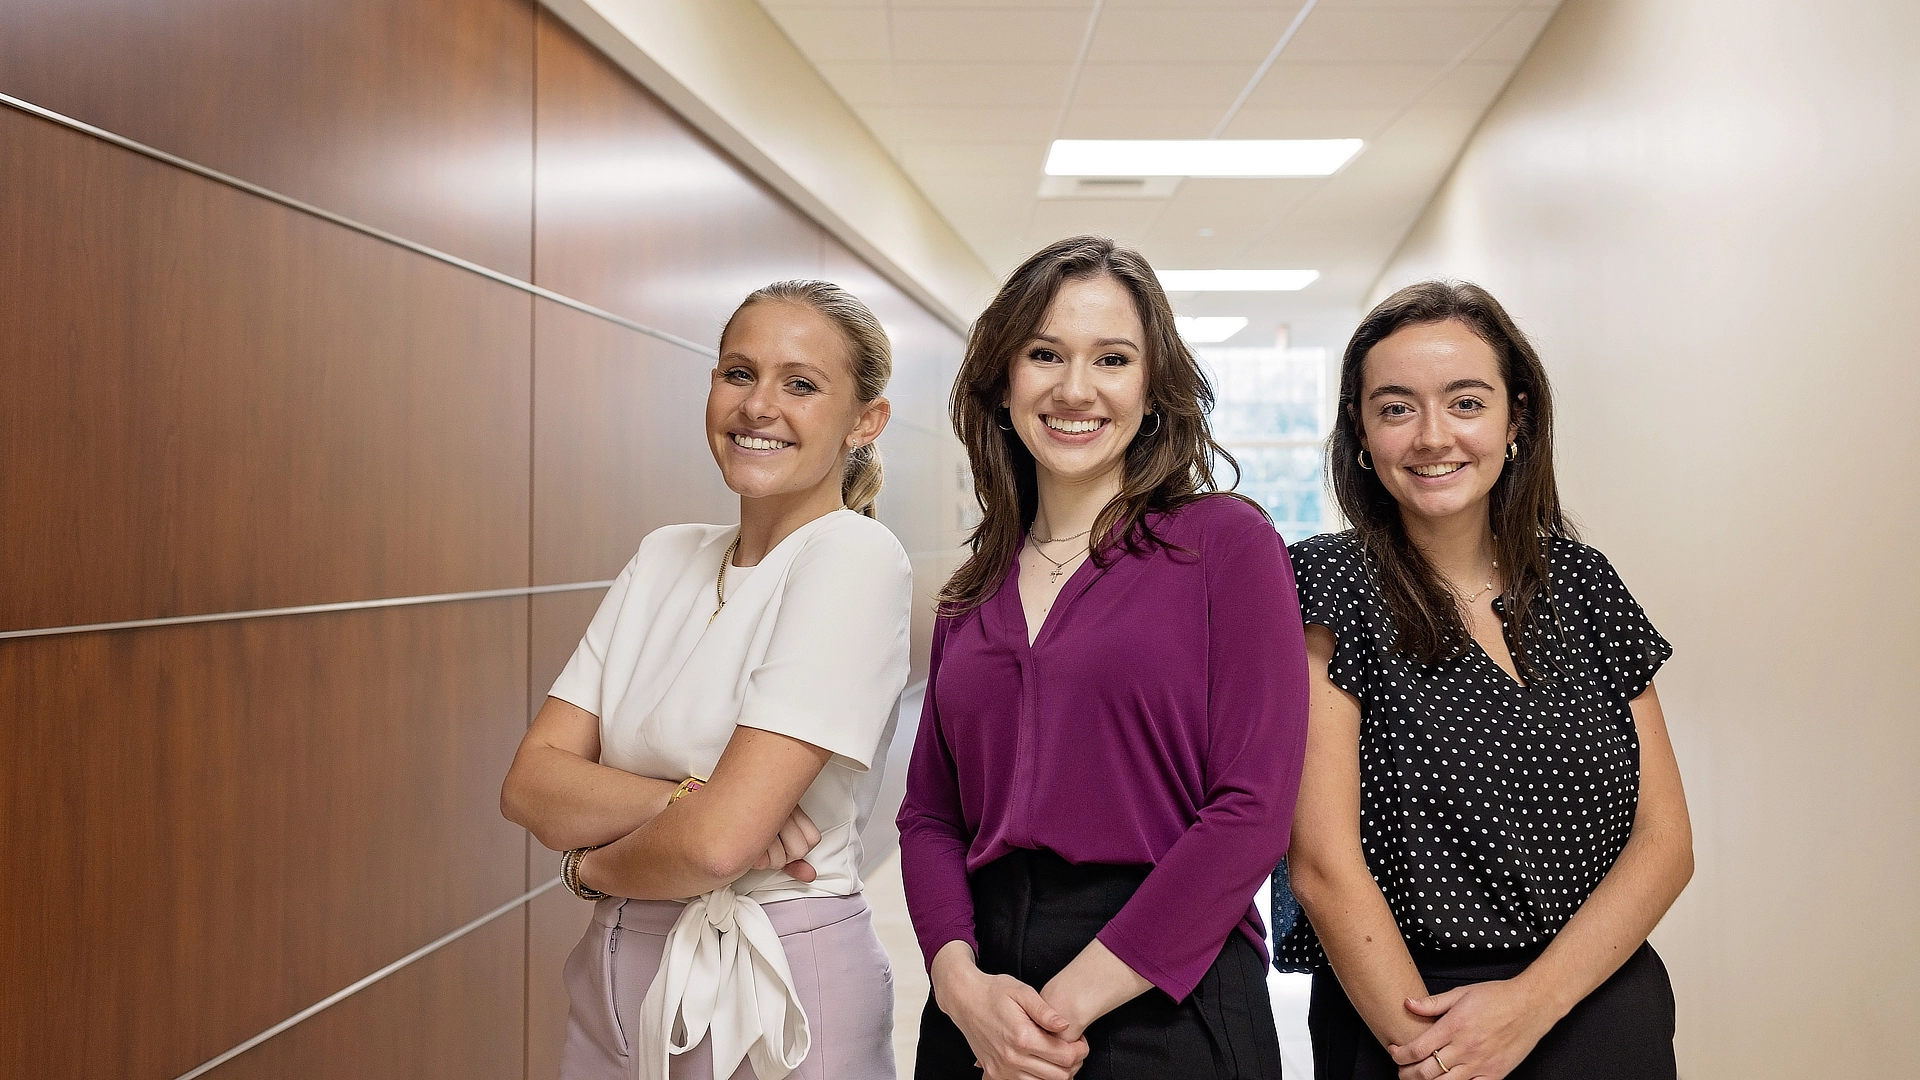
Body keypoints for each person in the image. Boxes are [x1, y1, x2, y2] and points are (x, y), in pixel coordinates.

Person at [897, 235, 1311, 1080]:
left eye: (1112, 358)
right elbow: (930, 817)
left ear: (1152, 389)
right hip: (981, 1004)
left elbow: (1252, 810)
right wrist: (957, 984)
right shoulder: (971, 592)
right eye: (1044, 353)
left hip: (1166, 992)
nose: (1074, 388)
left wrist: (1062, 1009)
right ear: (1003, 381)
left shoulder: (1226, 546)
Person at [1276, 281, 1693, 1080]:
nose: (1434, 436)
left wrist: (1531, 1007)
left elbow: (1666, 843)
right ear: (1361, 434)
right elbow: (1322, 865)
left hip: (1597, 1005)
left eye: (1466, 402)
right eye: (1396, 408)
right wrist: (1435, 1055)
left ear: (1516, 419)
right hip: (1408, 1017)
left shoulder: (1582, 582)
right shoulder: (1325, 585)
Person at [500, 280, 912, 1080]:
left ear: (866, 421)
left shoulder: (853, 558)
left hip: (773, 980)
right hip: (615, 979)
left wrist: (589, 867)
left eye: (801, 383)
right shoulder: (665, 555)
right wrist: (686, 801)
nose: (759, 406)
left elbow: (721, 849)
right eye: (737, 373)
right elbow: (529, 784)